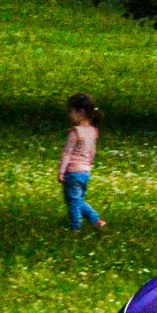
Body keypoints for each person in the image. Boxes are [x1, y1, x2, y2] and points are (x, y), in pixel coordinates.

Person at [59, 92, 104, 231]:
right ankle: (96, 219)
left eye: (71, 111)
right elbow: (92, 152)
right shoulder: (93, 131)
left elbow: (67, 153)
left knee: (73, 201)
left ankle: (76, 227)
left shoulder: (75, 132)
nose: (69, 115)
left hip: (73, 171)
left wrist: (61, 171)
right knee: (77, 199)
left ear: (81, 112)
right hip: (85, 172)